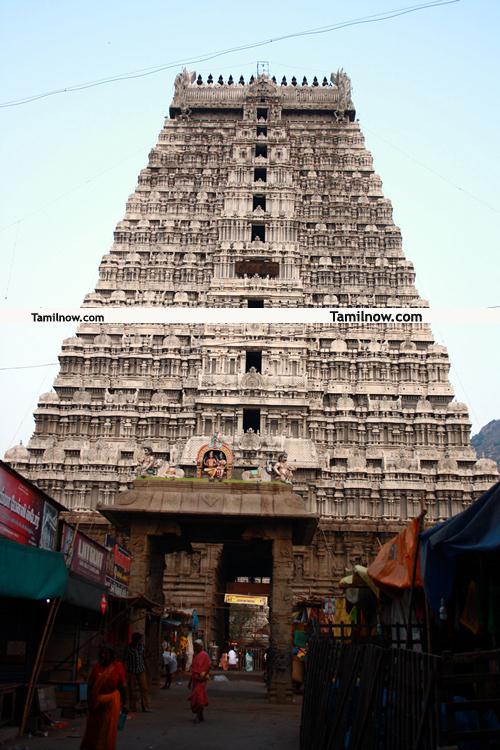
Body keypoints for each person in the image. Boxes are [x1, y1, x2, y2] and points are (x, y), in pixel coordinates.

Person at [81, 644, 126, 750]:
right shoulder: (97, 668)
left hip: (111, 702)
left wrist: (123, 704)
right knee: (94, 729)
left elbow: (122, 686)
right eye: (102, 653)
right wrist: (88, 701)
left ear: (111, 655)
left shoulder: (118, 667)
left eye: (106, 653)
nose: (103, 655)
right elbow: (90, 685)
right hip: (97, 702)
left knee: (107, 729)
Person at [125, 632, 151, 712]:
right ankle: (133, 707)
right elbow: (125, 660)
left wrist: (148, 668)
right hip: (131, 670)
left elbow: (144, 658)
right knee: (132, 689)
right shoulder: (128, 648)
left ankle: (146, 706)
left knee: (144, 688)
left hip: (141, 670)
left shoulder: (142, 647)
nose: (140, 641)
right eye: (139, 639)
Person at [188, 639, 211, 723]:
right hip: (195, 679)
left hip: (201, 680)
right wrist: (190, 681)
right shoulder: (195, 655)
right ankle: (200, 715)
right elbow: (194, 669)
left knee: (198, 697)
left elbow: (208, 666)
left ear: (200, 646)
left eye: (196, 646)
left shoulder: (204, 655)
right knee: (198, 697)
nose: (195, 647)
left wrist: (203, 677)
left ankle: (198, 715)